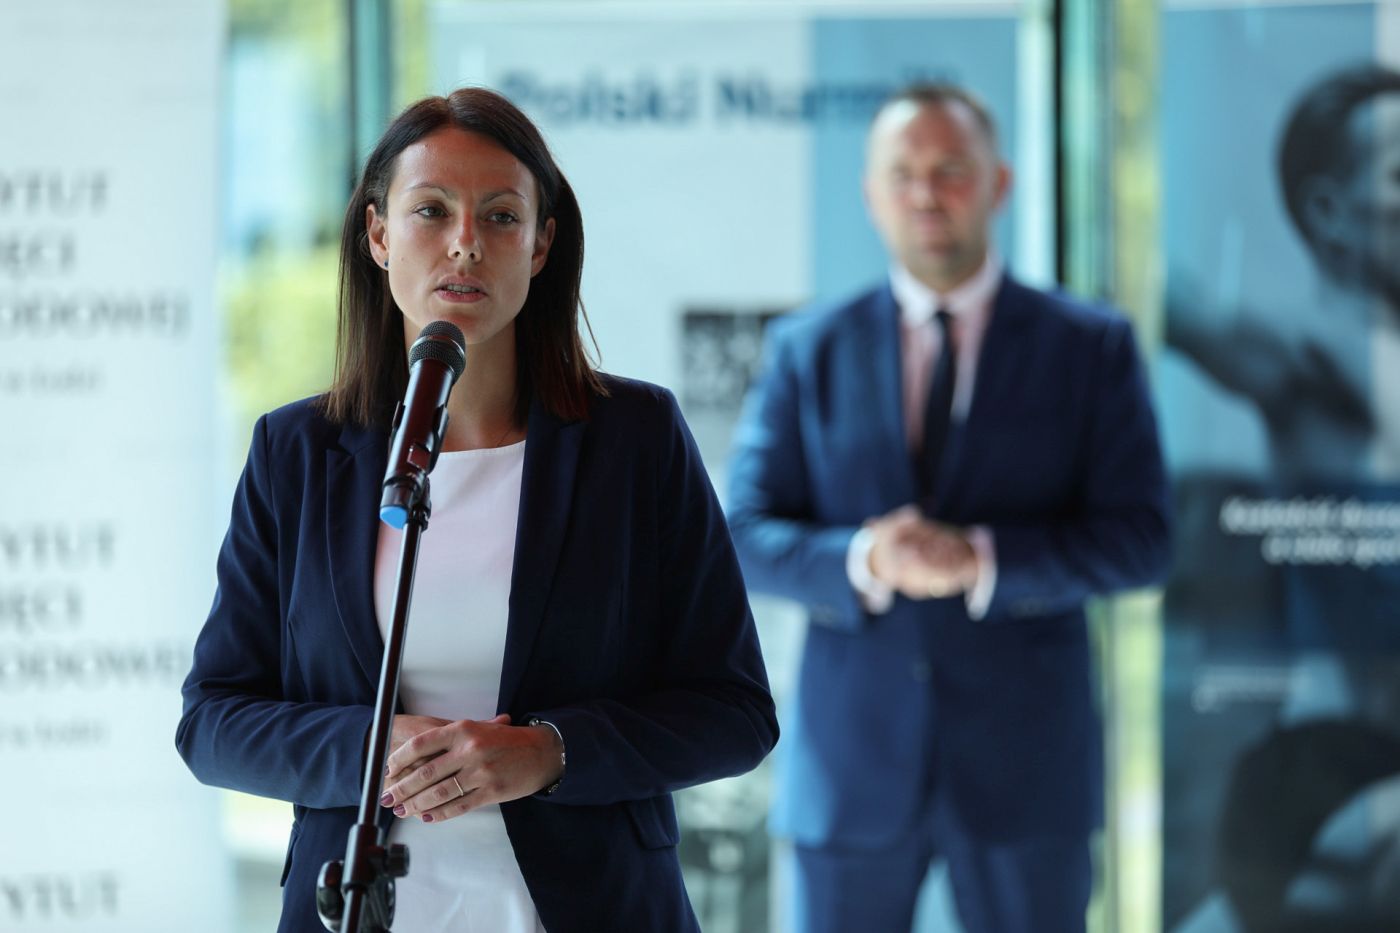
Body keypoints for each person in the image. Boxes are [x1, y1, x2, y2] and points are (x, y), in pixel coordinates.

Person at [175, 87, 778, 933]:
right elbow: (213, 720)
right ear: (378, 235)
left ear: (540, 245)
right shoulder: (297, 450)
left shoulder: (635, 438)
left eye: (501, 216)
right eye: (431, 211)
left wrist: (549, 751)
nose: (466, 242)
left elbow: (735, 712)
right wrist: (371, 750)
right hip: (359, 907)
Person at [727, 83, 1170, 933]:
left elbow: (1143, 540)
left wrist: (981, 559)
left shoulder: (1090, 346)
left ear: (999, 183)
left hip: (1028, 773)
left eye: (951, 170)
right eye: (903, 174)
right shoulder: (807, 348)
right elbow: (740, 535)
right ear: (872, 195)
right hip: (850, 772)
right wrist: (866, 557)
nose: (926, 194)